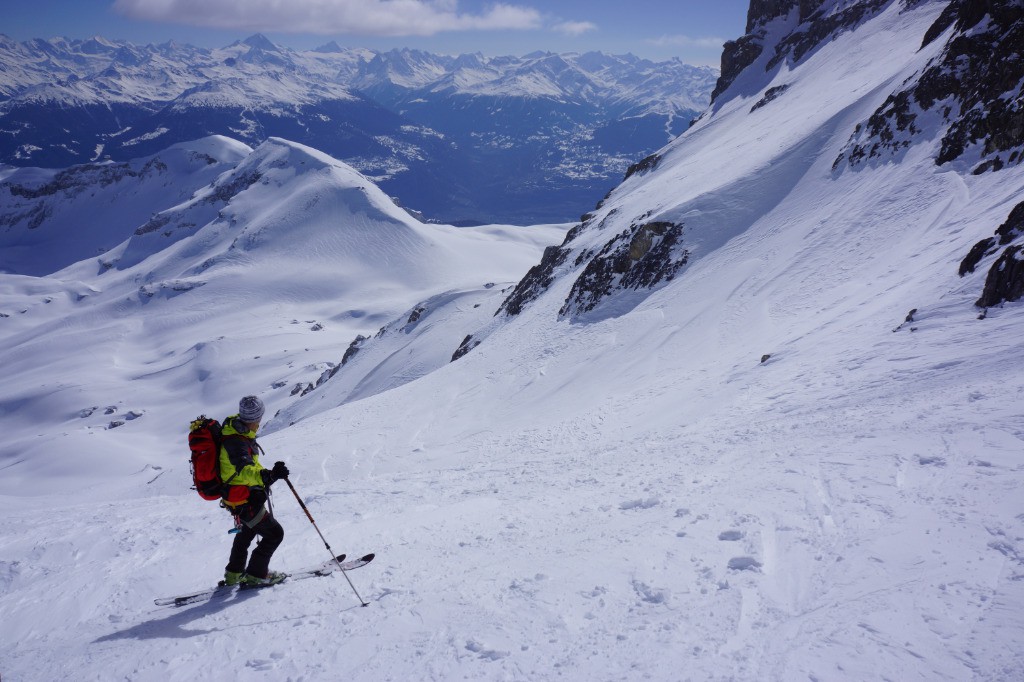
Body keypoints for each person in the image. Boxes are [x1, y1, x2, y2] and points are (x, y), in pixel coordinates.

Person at [219, 395, 290, 586]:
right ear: (252, 419)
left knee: (246, 533)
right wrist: (268, 476)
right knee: (275, 534)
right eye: (258, 419)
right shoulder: (236, 440)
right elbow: (244, 468)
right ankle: (256, 575)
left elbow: (247, 467)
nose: (259, 423)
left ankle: (234, 574)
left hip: (238, 498)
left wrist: (268, 474)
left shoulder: (237, 430)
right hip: (244, 499)